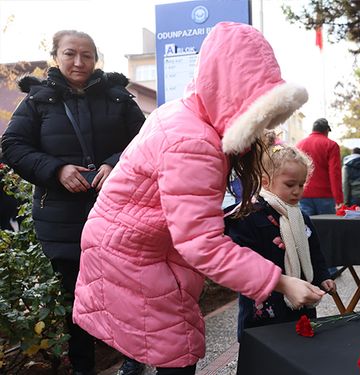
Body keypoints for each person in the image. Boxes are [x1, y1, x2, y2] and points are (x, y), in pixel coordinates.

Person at [72, 22, 323, 375]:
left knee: (175, 346)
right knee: (179, 353)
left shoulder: (182, 114)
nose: (262, 128)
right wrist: (281, 283)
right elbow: (201, 243)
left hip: (133, 247)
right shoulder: (195, 142)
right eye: (261, 113)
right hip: (134, 256)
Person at [0, 30, 145, 375]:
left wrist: (115, 163)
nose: (78, 62)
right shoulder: (37, 100)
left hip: (116, 214)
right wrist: (57, 169)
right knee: (76, 297)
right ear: (56, 57)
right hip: (62, 221)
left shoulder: (119, 98)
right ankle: (83, 366)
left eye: (87, 55)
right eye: (70, 54)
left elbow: (147, 141)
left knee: (123, 288)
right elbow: (12, 146)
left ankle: (132, 356)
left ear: (96, 59)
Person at [225, 144, 336, 339]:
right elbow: (240, 257)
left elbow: (314, 251)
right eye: (290, 184)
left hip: (300, 303)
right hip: (264, 307)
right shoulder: (249, 215)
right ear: (266, 182)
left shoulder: (301, 217)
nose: (297, 191)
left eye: (301, 185)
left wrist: (322, 276)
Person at [296, 118, 343, 216]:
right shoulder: (331, 145)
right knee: (327, 229)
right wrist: (339, 199)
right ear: (326, 130)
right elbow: (335, 173)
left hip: (303, 194)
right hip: (325, 195)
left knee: (306, 229)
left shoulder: (299, 145)